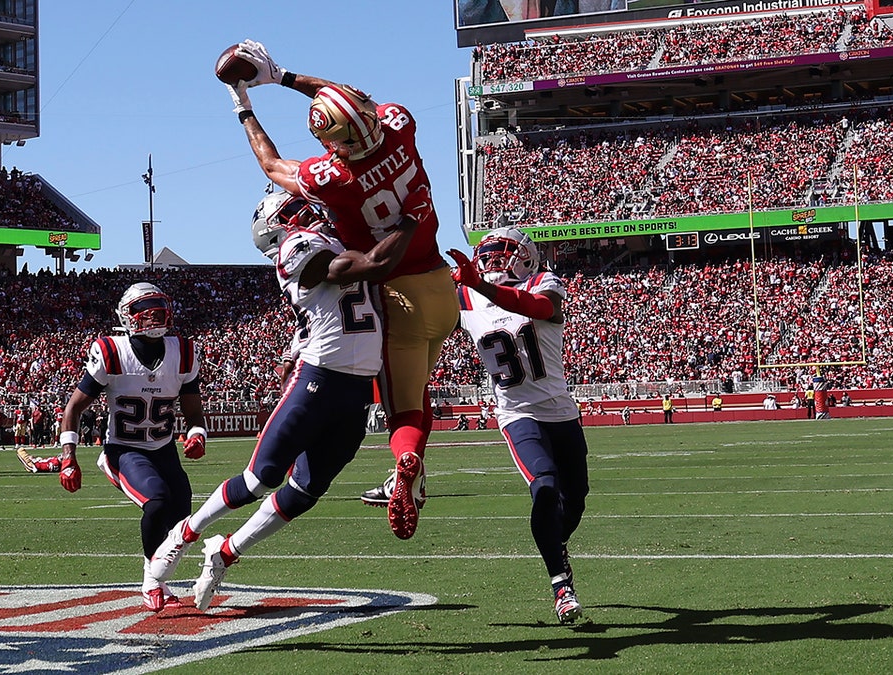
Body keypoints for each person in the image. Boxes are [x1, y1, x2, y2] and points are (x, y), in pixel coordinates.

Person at [224, 41, 459, 540]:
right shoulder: (400, 123)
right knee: (417, 394)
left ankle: (406, 466)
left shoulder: (333, 177)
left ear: (338, 144)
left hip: (400, 296)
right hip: (442, 285)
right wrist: (283, 75)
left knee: (404, 409)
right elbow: (347, 94)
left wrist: (245, 105)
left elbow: (272, 166)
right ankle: (412, 479)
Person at [151, 190, 418, 612]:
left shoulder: (333, 239)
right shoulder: (298, 248)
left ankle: (225, 554)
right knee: (261, 479)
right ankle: (184, 534)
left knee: (305, 491)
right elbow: (376, 263)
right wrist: (411, 220)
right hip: (319, 377)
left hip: (356, 388)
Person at [445, 227, 590, 624]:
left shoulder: (544, 282)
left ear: (527, 257)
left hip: (561, 413)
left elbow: (540, 309)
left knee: (573, 504)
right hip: (516, 413)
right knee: (544, 488)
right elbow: (425, 321)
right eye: (487, 254)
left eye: (502, 252)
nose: (493, 260)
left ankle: (554, 546)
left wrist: (482, 287)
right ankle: (561, 586)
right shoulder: (464, 295)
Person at [55, 282, 209, 613]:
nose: (153, 312)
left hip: (164, 448)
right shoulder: (112, 350)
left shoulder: (182, 350)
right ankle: (151, 581)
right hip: (124, 450)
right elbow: (73, 409)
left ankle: (160, 579)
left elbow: (194, 411)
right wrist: (69, 458)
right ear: (127, 316)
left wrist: (198, 434)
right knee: (156, 502)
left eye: (158, 304)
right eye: (144, 307)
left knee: (181, 518)